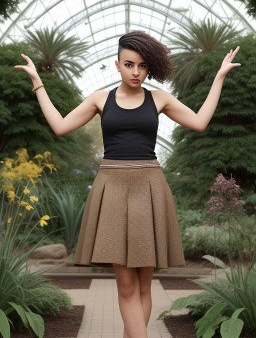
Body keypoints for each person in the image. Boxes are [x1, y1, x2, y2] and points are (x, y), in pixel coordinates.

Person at [15, 31, 240, 338]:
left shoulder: (159, 99)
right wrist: (37, 84)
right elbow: (59, 126)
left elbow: (199, 122)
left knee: (144, 285)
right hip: (112, 189)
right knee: (126, 284)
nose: (136, 72)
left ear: (149, 68)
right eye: (129, 64)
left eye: (143, 66)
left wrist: (219, 77)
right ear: (117, 64)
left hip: (150, 188)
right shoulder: (99, 99)